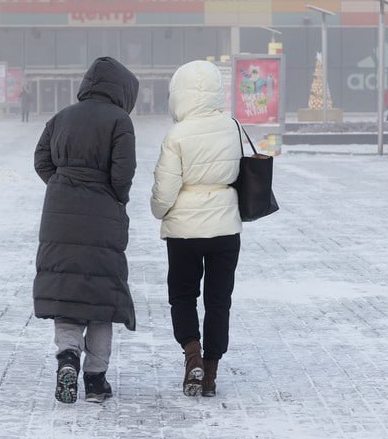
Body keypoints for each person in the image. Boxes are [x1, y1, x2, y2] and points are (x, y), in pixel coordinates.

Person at [33, 56, 139, 405]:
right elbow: (123, 172)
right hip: (102, 214)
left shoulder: (61, 116)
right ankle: (95, 381)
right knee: (100, 299)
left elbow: (41, 160)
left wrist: (63, 184)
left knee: (65, 289)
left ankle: (67, 356)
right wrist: (112, 196)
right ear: (122, 91)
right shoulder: (119, 120)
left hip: (59, 213)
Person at [150, 60, 243, 398]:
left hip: (184, 232)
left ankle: (192, 356)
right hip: (225, 228)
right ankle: (212, 372)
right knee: (219, 300)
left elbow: (164, 193)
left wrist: (158, 211)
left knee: (183, 295)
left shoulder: (177, 134)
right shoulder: (231, 127)